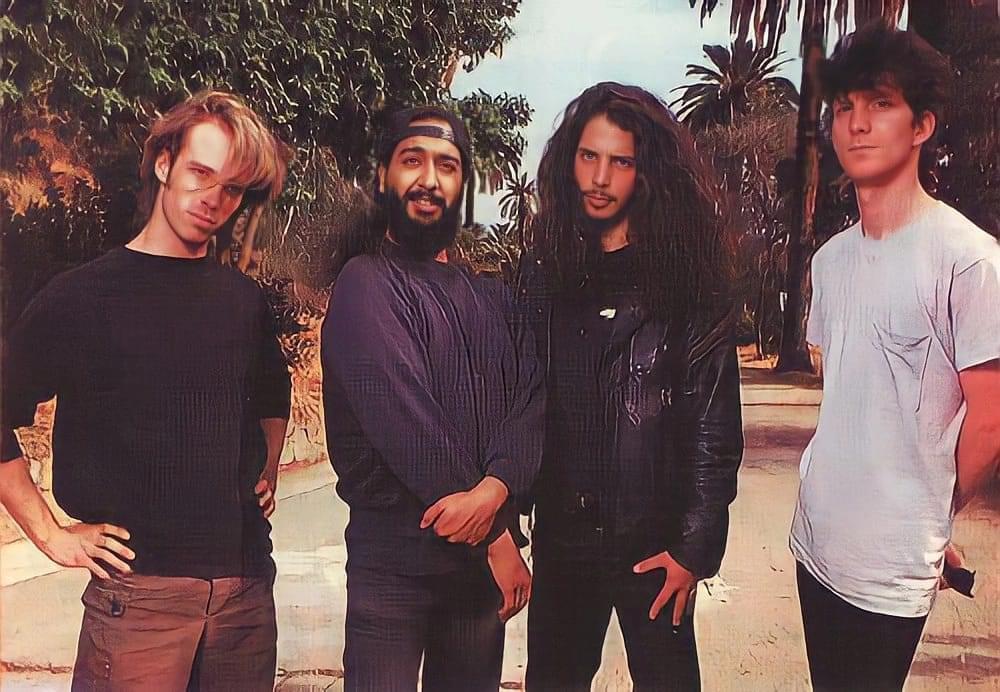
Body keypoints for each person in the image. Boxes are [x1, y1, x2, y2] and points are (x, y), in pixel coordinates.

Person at [0, 90, 292, 690]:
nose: (213, 198)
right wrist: (51, 534)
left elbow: (272, 391)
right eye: (200, 173)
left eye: (231, 188)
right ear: (164, 163)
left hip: (244, 599)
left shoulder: (242, 301)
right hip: (138, 604)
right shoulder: (83, 296)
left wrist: (268, 464)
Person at [790, 22, 1000, 692]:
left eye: (879, 104)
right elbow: (847, 393)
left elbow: (989, 421)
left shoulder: (968, 260)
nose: (856, 123)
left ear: (921, 126)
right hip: (816, 539)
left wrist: (930, 514)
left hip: (891, 564)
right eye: (843, 107)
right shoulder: (830, 261)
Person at [520, 82, 744, 691]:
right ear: (569, 161)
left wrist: (695, 549)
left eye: (621, 161)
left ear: (647, 174)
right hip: (563, 545)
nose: (600, 176)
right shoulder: (542, 281)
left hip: (655, 548)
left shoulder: (691, 288)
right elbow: (517, 407)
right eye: (589, 156)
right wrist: (507, 527)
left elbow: (714, 433)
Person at [321, 105, 543, 692]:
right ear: (382, 177)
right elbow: (403, 417)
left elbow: (530, 406)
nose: (429, 178)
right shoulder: (364, 283)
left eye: (447, 165)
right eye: (411, 160)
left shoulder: (495, 300)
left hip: (474, 588)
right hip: (393, 570)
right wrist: (497, 535)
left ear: (463, 185)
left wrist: (496, 491)